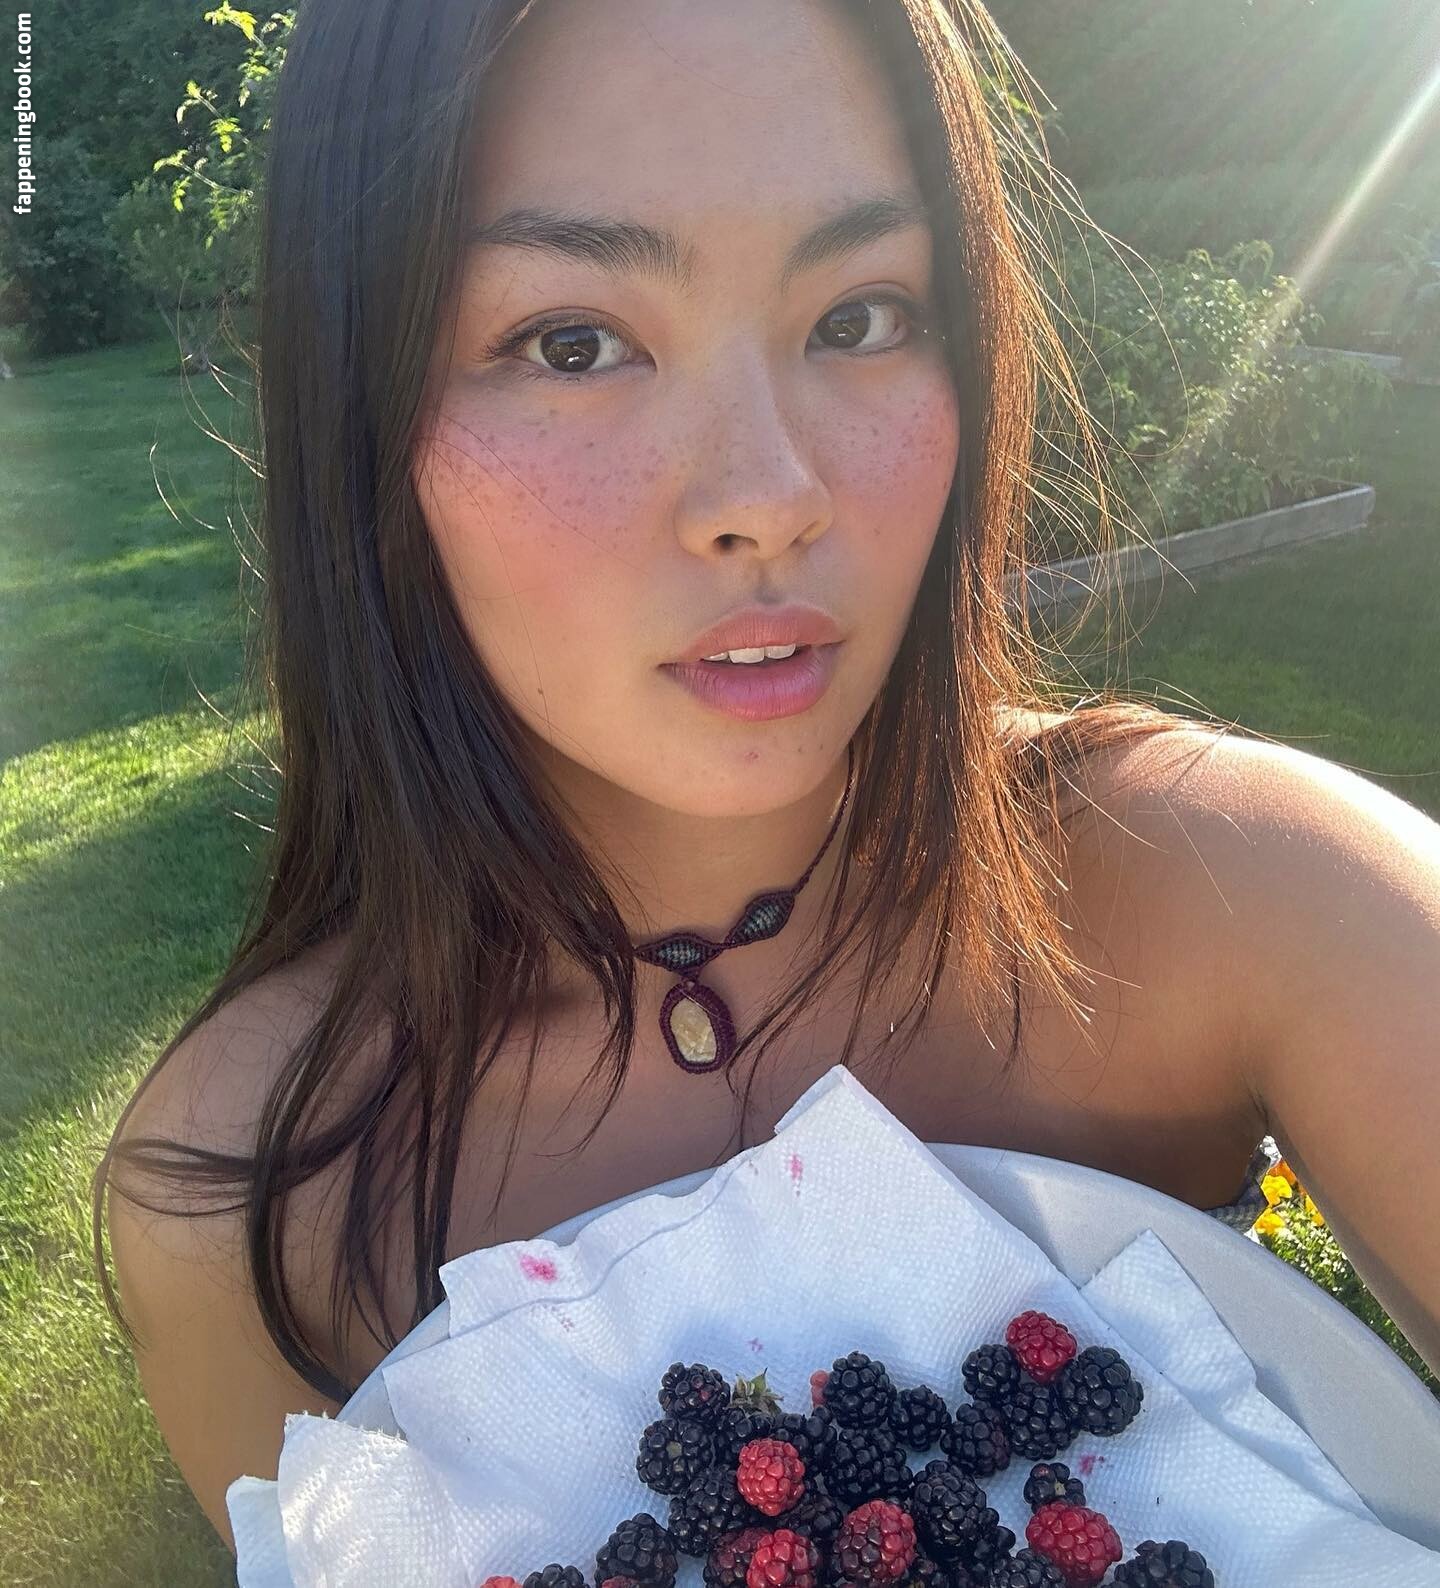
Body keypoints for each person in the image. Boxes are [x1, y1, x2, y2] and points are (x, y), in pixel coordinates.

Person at [94, 0, 1440, 1555]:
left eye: (860, 316)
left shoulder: (1246, 894)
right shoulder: (246, 1198)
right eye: (573, 341)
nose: (770, 496)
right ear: (359, 413)